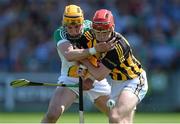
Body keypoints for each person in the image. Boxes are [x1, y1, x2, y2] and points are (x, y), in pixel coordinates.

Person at [41, 5, 115, 123]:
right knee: (52, 114)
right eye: (69, 27)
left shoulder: (92, 27)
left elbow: (106, 55)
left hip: (95, 77)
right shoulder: (60, 33)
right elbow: (69, 55)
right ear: (64, 24)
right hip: (70, 79)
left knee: (116, 115)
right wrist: (94, 49)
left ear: (82, 22)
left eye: (77, 26)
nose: (74, 31)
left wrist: (90, 79)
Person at [80, 9, 148, 123]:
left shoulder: (119, 46)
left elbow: (100, 75)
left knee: (115, 116)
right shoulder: (89, 36)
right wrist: (89, 78)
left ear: (112, 28)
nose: (101, 37)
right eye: (98, 32)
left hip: (134, 81)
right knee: (120, 122)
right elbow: (93, 58)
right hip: (116, 83)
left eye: (105, 32)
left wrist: (83, 59)